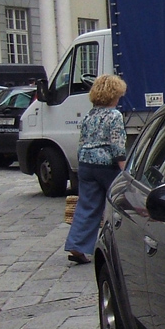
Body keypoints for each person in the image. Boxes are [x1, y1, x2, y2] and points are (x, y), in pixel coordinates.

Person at [63, 74, 128, 264]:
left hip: (85, 164)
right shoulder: (114, 116)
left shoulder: (89, 115)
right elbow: (117, 145)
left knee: (87, 206)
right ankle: (121, 244)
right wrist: (125, 172)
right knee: (121, 203)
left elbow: (82, 141)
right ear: (114, 95)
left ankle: (77, 245)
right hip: (106, 166)